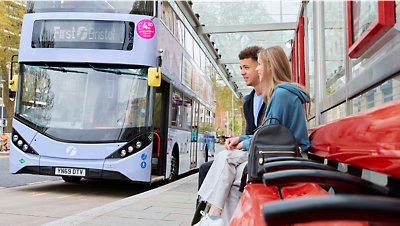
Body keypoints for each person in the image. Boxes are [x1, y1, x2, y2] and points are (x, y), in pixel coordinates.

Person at [195, 46, 310, 226]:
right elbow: (269, 132)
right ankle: (218, 218)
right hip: (280, 155)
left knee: (226, 159)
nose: (257, 69)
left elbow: (269, 136)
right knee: (231, 176)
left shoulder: (281, 94)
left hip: (285, 159)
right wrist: (242, 139)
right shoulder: (281, 93)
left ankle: (214, 216)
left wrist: (245, 144)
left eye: (260, 65)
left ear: (270, 67)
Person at [197, 45, 265, 191]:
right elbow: (250, 133)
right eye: (240, 68)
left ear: (260, 66)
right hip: (252, 151)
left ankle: (213, 212)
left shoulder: (273, 97)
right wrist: (238, 139)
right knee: (206, 169)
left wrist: (242, 143)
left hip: (262, 154)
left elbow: (268, 135)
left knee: (215, 170)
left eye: (246, 67)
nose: (242, 72)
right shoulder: (249, 101)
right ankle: (205, 213)